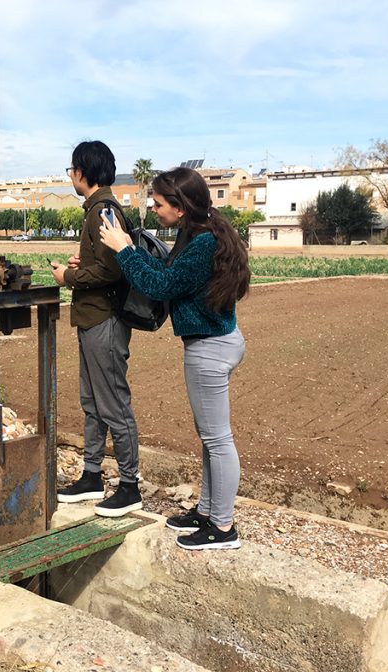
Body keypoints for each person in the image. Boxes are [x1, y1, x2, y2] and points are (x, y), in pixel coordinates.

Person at [99, 167, 250, 550]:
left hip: (209, 349)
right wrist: (133, 249)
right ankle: (207, 511)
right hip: (216, 342)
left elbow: (160, 285)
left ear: (181, 207)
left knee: (217, 439)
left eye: (159, 203)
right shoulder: (199, 232)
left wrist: (125, 250)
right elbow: (167, 271)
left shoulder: (202, 244)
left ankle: (222, 528)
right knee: (210, 438)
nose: (154, 208)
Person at [49, 140, 142, 517]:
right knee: (92, 403)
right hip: (92, 320)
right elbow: (103, 260)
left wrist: (67, 275)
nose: (71, 175)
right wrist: (82, 259)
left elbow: (113, 268)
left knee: (113, 403)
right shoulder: (98, 209)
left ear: (82, 172)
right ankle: (91, 475)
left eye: (72, 170)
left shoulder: (103, 210)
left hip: (104, 320)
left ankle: (130, 484)